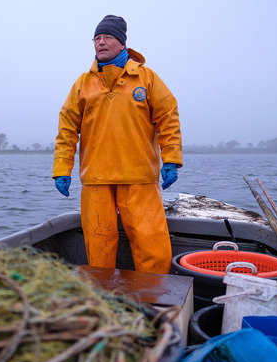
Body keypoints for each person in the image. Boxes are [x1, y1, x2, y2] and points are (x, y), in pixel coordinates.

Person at [52, 15, 182, 274]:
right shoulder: (83, 84)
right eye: (97, 38)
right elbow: (67, 130)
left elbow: (168, 118)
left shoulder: (146, 78)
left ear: (122, 43)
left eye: (107, 37)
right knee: (98, 247)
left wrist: (171, 159)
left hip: (139, 178)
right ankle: (102, 293)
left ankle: (155, 294)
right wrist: (61, 169)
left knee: (151, 245)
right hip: (96, 180)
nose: (100, 43)